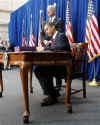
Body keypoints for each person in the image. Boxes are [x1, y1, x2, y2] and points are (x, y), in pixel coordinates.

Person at [34, 22, 71, 106]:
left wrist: (44, 48)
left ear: (53, 27)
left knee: (40, 70)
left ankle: (52, 95)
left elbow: (59, 47)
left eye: (47, 29)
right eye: (45, 30)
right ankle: (53, 93)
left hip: (65, 66)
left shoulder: (61, 35)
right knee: (39, 69)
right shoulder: (53, 39)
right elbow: (54, 49)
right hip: (58, 64)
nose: (46, 32)